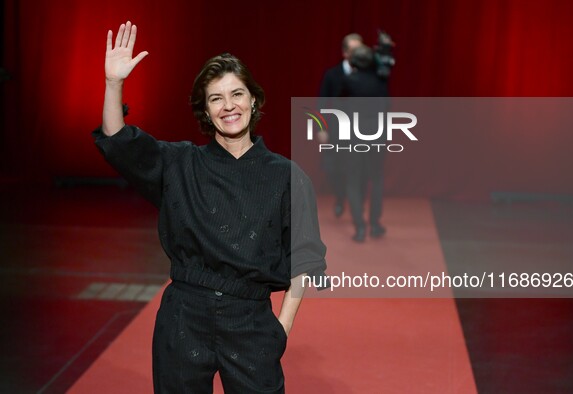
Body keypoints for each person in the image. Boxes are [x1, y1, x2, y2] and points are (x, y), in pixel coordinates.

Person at [94, 21, 327, 393]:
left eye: (237, 94)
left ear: (254, 99)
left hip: (250, 321)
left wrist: (279, 330)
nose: (228, 106)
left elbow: (304, 259)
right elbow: (118, 140)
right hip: (184, 315)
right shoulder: (181, 164)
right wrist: (113, 83)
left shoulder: (287, 176)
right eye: (216, 98)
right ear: (205, 110)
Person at [341, 44, 391, 242]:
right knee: (377, 180)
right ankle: (375, 224)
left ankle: (360, 227)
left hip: (354, 135)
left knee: (353, 181)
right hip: (378, 134)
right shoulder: (381, 82)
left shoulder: (349, 82)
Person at [318, 33, 363, 218]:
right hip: (336, 131)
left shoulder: (368, 75)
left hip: (361, 132)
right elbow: (321, 103)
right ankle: (340, 197)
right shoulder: (332, 74)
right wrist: (321, 128)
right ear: (345, 53)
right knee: (334, 169)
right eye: (354, 51)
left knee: (359, 170)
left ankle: (356, 205)